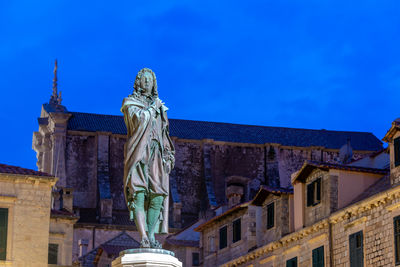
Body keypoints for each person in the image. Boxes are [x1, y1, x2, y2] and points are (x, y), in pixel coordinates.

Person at [121, 68, 175, 248]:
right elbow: (139, 120)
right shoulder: (130, 103)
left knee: (158, 196)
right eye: (143, 79)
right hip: (138, 152)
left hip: (156, 154)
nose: (147, 83)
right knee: (139, 194)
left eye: (150, 80)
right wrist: (153, 108)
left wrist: (168, 153)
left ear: (154, 83)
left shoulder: (160, 108)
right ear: (138, 83)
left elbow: (164, 132)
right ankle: (143, 236)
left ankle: (151, 236)